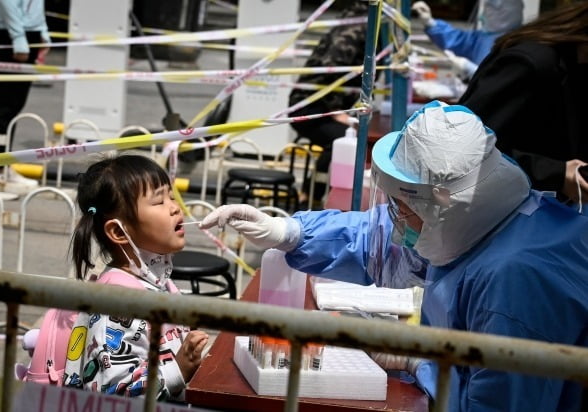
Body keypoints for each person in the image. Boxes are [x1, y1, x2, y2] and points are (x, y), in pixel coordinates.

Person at [199, 101, 588, 411]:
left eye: (403, 204)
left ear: (443, 204)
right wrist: (288, 232)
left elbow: (494, 405)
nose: (394, 215)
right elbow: (381, 241)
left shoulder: (516, 283)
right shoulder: (479, 223)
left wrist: (418, 362)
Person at [63, 154, 209, 400]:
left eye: (171, 197)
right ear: (119, 231)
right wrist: (179, 370)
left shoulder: (158, 281)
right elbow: (113, 393)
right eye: (158, 202)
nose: (175, 207)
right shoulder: (118, 302)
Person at [459, 2, 588, 207]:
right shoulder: (531, 64)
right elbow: (464, 147)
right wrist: (556, 174)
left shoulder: (578, 68)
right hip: (500, 219)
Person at [288, 1, 369, 209]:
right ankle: (313, 199)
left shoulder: (361, 22)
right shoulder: (357, 27)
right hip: (310, 107)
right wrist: (336, 111)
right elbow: (329, 68)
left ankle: (314, 194)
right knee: (345, 140)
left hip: (320, 105)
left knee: (352, 137)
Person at [0, 0, 50, 185]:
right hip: (6, 32)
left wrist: (41, 29)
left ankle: (2, 165)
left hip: (28, 31)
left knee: (14, 103)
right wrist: (18, 36)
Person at [412, 0, 524, 80]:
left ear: (505, 14)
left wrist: (469, 68)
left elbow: (499, 82)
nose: (483, 15)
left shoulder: (516, 45)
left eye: (489, 10)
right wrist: (430, 23)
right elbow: (457, 39)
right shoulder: (483, 37)